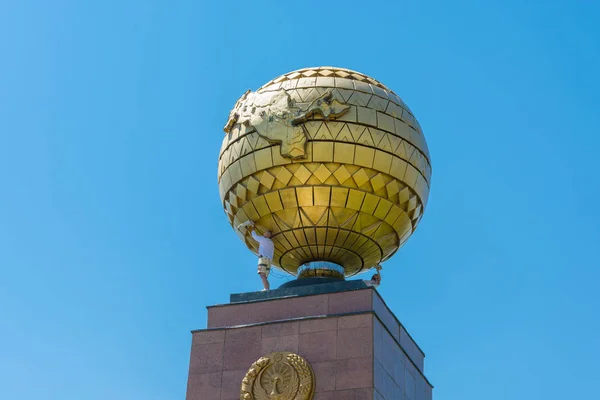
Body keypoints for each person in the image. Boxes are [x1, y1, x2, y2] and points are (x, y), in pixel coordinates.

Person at [247, 222, 274, 291]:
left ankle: (266, 288)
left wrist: (253, 227)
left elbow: (254, 236)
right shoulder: (271, 243)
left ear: (268, 235)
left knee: (262, 274)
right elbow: (263, 249)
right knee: (264, 276)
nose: (264, 233)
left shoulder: (263, 239)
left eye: (265, 233)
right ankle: (267, 288)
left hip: (263, 259)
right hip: (269, 261)